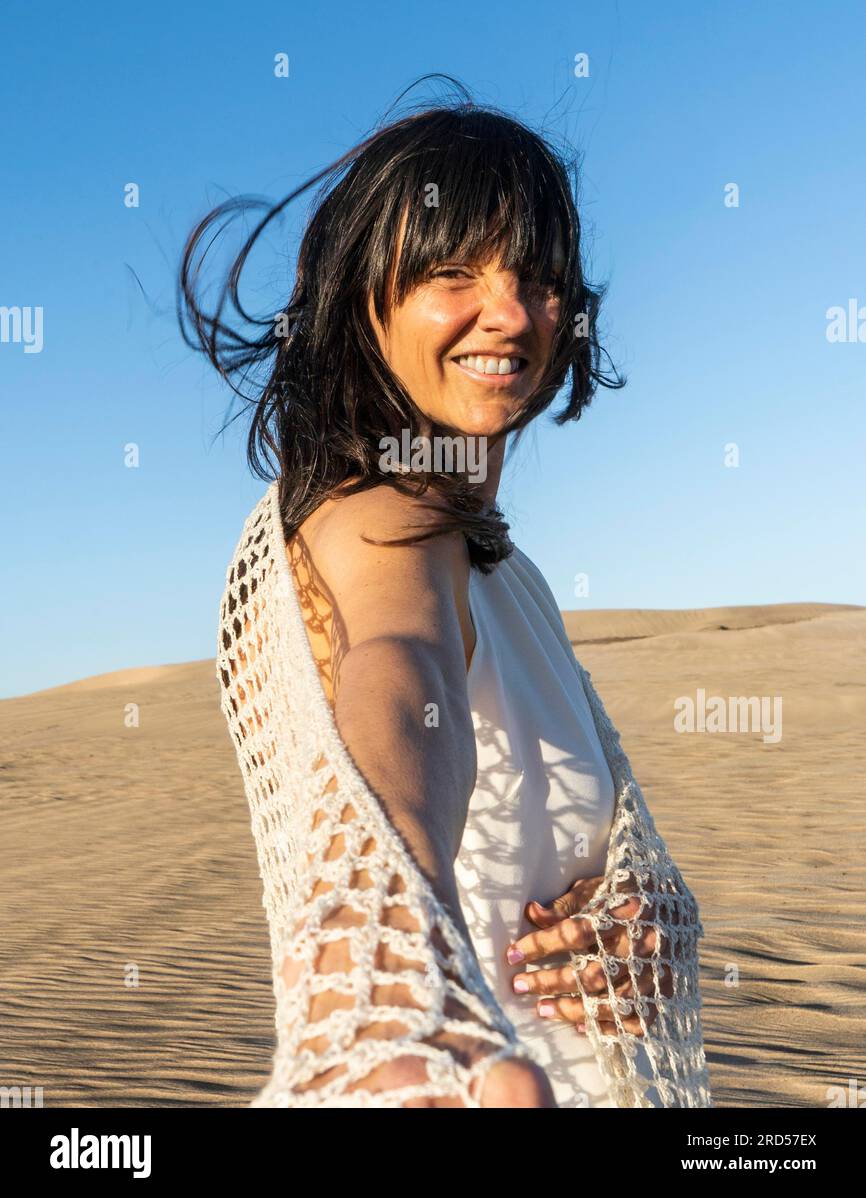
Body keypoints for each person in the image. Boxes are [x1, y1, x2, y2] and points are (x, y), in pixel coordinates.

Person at [178, 78, 713, 1108]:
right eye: (451, 270)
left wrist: (640, 925)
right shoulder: (376, 522)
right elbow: (398, 670)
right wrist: (387, 998)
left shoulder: (505, 575)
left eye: (538, 275)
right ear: (362, 296)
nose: (509, 311)